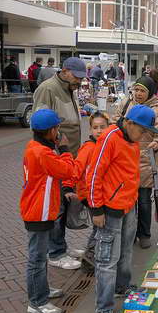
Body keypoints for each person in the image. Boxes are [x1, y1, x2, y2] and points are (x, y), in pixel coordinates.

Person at [87, 104, 158, 313]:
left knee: (126, 251)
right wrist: (96, 210)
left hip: (128, 205)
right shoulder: (110, 138)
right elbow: (94, 174)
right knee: (107, 260)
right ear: (129, 123)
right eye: (142, 130)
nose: (144, 135)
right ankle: (104, 308)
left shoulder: (132, 140)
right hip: (110, 209)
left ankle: (123, 286)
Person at [20, 109, 77, 313]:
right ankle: (37, 302)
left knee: (40, 255)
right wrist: (65, 149)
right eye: (57, 128)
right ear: (52, 131)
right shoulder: (42, 153)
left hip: (39, 209)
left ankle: (41, 290)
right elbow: (67, 170)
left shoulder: (35, 146)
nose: (59, 131)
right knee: (36, 258)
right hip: (39, 212)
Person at [33, 56, 87, 270]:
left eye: (81, 78)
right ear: (64, 71)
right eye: (76, 77)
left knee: (64, 203)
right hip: (55, 158)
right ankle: (55, 253)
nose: (79, 81)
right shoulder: (48, 89)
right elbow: (40, 125)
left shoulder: (68, 88)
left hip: (67, 157)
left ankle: (61, 246)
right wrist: (55, 151)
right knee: (56, 206)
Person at [111, 73, 158, 249]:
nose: (138, 93)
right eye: (136, 90)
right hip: (125, 159)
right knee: (127, 201)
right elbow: (114, 123)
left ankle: (144, 234)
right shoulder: (126, 103)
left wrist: (156, 144)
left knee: (143, 201)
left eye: (142, 91)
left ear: (149, 92)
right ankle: (129, 233)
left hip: (146, 161)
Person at [68, 111, 110, 270]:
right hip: (89, 194)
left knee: (99, 226)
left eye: (102, 127)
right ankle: (90, 256)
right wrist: (68, 186)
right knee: (100, 226)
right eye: (95, 127)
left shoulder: (105, 146)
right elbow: (76, 169)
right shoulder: (88, 148)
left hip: (98, 193)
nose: (99, 131)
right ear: (90, 130)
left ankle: (92, 254)